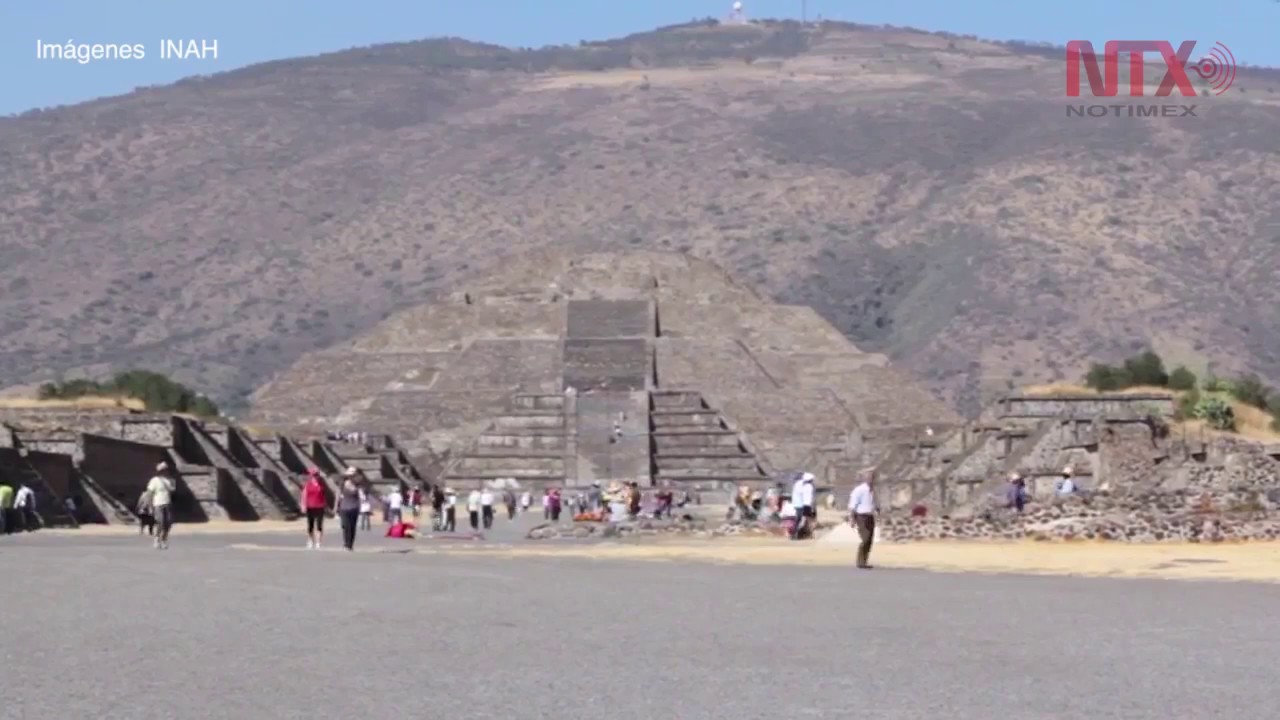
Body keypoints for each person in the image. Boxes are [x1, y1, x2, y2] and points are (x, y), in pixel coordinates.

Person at [848, 469, 879, 569]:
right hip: (861, 516)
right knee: (865, 538)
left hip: (870, 516)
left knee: (869, 539)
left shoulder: (872, 490)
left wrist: (876, 510)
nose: (871, 479)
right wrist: (851, 518)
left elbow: (873, 503)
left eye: (872, 477)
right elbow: (853, 505)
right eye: (869, 477)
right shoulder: (859, 490)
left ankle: (864, 561)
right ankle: (860, 561)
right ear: (865, 478)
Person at [146, 462, 176, 550]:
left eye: (166, 469)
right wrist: (150, 506)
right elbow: (149, 493)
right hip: (158, 504)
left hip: (168, 504)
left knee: (168, 523)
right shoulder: (154, 480)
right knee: (160, 522)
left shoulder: (170, 480)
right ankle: (156, 539)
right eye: (163, 470)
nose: (165, 471)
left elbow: (172, 491)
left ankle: (164, 539)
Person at [300, 469, 328, 549]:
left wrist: (325, 505)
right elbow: (304, 495)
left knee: (319, 525)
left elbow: (324, 496)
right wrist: (303, 505)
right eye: (314, 475)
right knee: (310, 525)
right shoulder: (308, 484)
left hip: (320, 506)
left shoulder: (321, 484)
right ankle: (310, 540)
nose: (316, 476)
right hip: (310, 506)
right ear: (311, 476)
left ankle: (318, 542)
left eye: (317, 475)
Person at [335, 473, 362, 551]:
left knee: (352, 527)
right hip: (344, 508)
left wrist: (359, 507)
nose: (351, 477)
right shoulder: (342, 486)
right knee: (346, 526)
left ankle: (350, 544)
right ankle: (346, 543)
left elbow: (359, 498)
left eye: (352, 476)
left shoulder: (356, 486)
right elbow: (338, 496)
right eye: (350, 476)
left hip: (354, 508)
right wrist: (336, 507)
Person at [790, 472, 815, 540]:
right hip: (800, 504)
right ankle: (795, 533)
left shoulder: (806, 485)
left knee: (803, 519)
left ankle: (807, 534)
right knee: (800, 519)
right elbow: (804, 495)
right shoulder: (801, 485)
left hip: (803, 504)